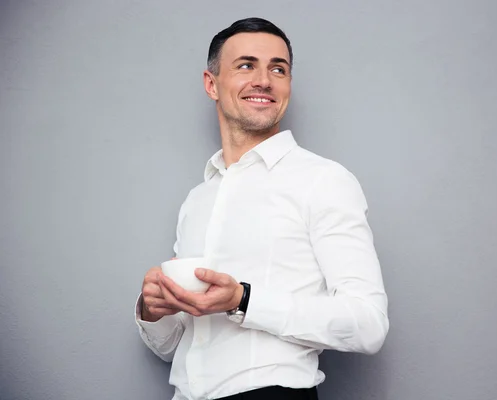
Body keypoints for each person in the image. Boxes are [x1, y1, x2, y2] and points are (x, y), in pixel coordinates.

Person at [135, 17, 389, 400]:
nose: (264, 80)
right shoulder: (197, 200)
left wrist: (244, 299)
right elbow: (173, 347)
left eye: (278, 68)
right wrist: (154, 311)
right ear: (211, 84)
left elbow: (368, 325)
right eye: (245, 65)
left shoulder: (323, 180)